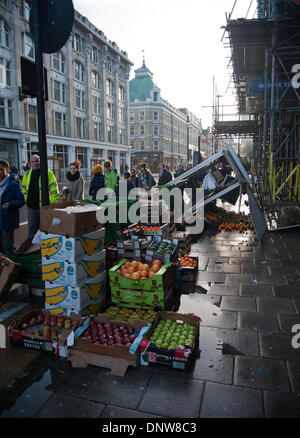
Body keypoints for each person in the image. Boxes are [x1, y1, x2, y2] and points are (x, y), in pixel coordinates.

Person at [21, 154, 59, 237]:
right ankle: (32, 247)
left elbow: (54, 188)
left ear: (40, 162)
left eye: (37, 161)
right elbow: (23, 188)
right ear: (30, 163)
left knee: (46, 229)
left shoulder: (47, 172)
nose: (35, 163)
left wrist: (52, 203)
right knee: (32, 230)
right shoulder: (27, 174)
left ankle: (44, 248)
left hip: (44, 207)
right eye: (33, 162)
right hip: (31, 207)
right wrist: (25, 200)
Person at [0, 159, 25, 257]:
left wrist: (10, 204)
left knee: (7, 245)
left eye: (1, 169)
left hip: (7, 218)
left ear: (7, 170)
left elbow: (21, 201)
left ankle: (10, 267)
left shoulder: (13, 184)